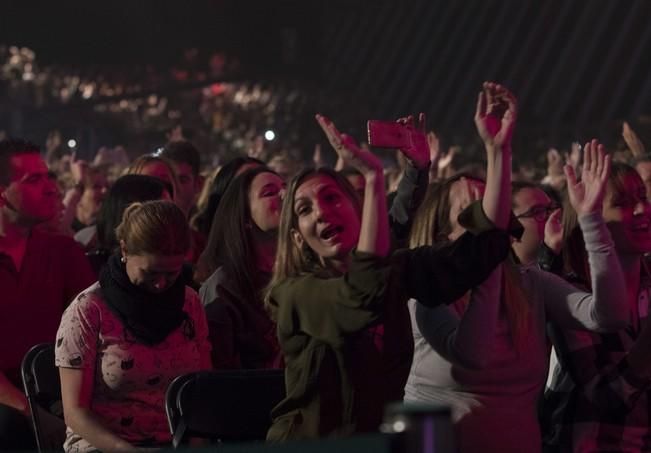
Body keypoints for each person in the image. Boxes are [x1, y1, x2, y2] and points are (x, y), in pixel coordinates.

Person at [263, 108, 513, 441]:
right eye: (305, 210)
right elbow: (361, 295)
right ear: (297, 237)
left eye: (332, 198)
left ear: (359, 211)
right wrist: (373, 175)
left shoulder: (394, 270)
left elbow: (478, 251)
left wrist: (498, 151)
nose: (322, 212)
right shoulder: (294, 294)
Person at [406, 134, 628, 453]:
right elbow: (474, 354)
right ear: (443, 235)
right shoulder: (426, 293)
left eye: (493, 206)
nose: (492, 216)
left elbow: (608, 315)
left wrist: (591, 219)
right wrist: (487, 253)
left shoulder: (530, 283)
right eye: (475, 211)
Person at [56, 200, 211, 452]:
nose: (161, 284)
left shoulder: (189, 302)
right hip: (104, 444)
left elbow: (201, 387)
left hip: (173, 442)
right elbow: (75, 412)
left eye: (172, 274)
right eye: (151, 273)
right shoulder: (88, 310)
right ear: (125, 250)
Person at [543, 162, 651, 452]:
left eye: (643, 196)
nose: (642, 209)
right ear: (592, 223)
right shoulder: (570, 295)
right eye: (623, 203)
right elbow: (603, 402)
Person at [0, 138, 95, 449]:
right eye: (34, 180)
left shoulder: (63, 252)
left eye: (49, 177)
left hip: (60, 389)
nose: (51, 188)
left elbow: (96, 331)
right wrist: (30, 412)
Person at [199, 166, 285, 369]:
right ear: (244, 216)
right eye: (269, 192)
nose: (284, 195)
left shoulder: (306, 272)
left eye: (285, 187)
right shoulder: (224, 288)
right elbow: (218, 374)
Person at [82, 174, 173, 275]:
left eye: (171, 211)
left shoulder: (176, 271)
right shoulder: (88, 270)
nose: (171, 220)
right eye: (162, 213)